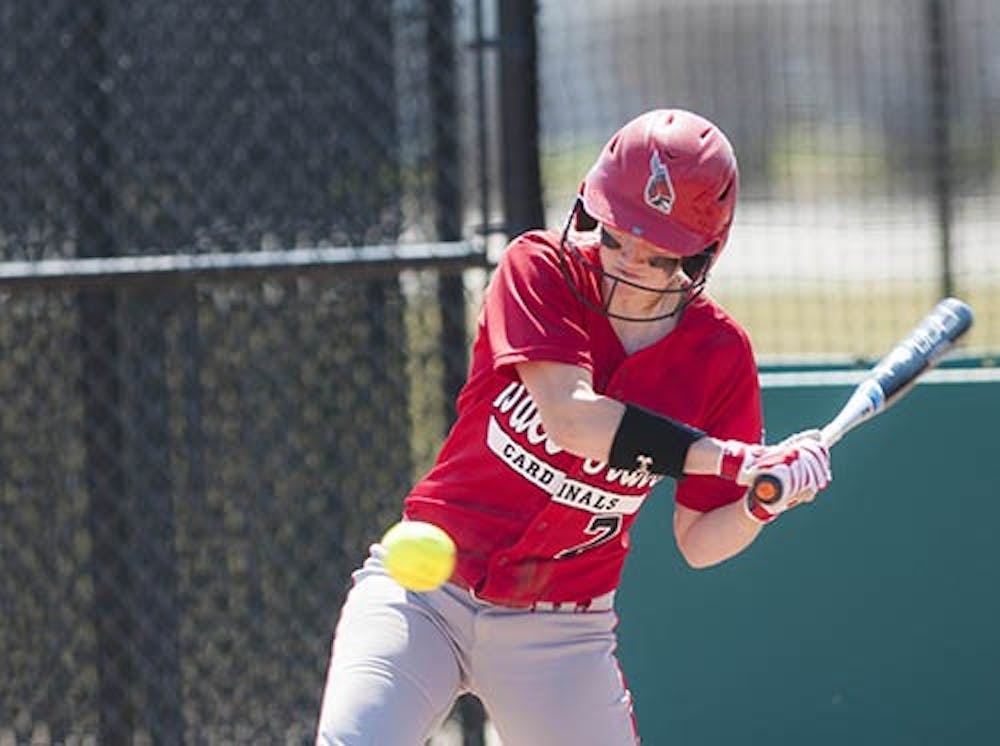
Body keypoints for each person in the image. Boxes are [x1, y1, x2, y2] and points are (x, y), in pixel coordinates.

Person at [315, 109, 832, 745]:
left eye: (651, 253)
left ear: (697, 257)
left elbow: (700, 541)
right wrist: (731, 460)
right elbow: (571, 418)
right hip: (424, 594)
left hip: (560, 631)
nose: (620, 260)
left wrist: (761, 500)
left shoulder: (719, 356)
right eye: (612, 234)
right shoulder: (541, 269)